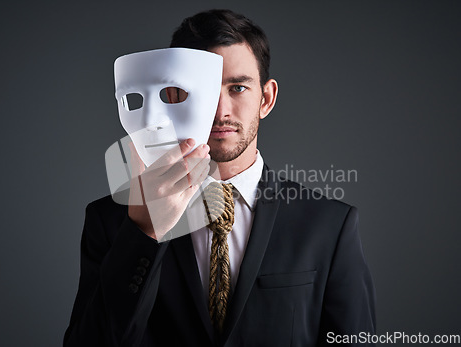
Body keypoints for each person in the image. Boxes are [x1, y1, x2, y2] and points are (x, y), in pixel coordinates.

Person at [64, 9, 376, 347]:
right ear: (170, 97)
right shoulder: (112, 222)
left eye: (238, 88)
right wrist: (145, 232)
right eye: (199, 91)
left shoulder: (329, 225)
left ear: (266, 99)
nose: (219, 111)